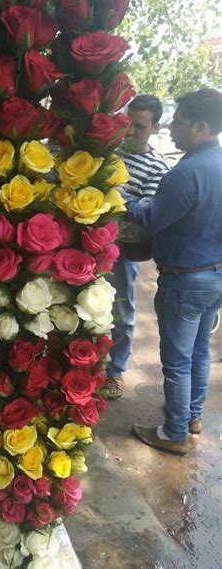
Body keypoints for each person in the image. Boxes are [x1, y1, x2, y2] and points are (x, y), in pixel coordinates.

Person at [124, 88, 222, 455]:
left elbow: (152, 217)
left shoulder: (188, 171)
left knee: (177, 360)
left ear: (201, 126)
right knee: (199, 351)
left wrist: (122, 198)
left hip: (185, 278)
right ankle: (192, 415)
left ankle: (174, 432)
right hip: (214, 274)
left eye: (178, 123)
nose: (172, 129)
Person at [105, 95, 169, 399]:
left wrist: (113, 200)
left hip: (122, 251)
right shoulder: (108, 151)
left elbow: (146, 218)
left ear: (155, 128)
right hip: (89, 244)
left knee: (121, 310)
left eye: (139, 126)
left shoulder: (158, 167)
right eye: (127, 122)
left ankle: (115, 371)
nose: (130, 131)